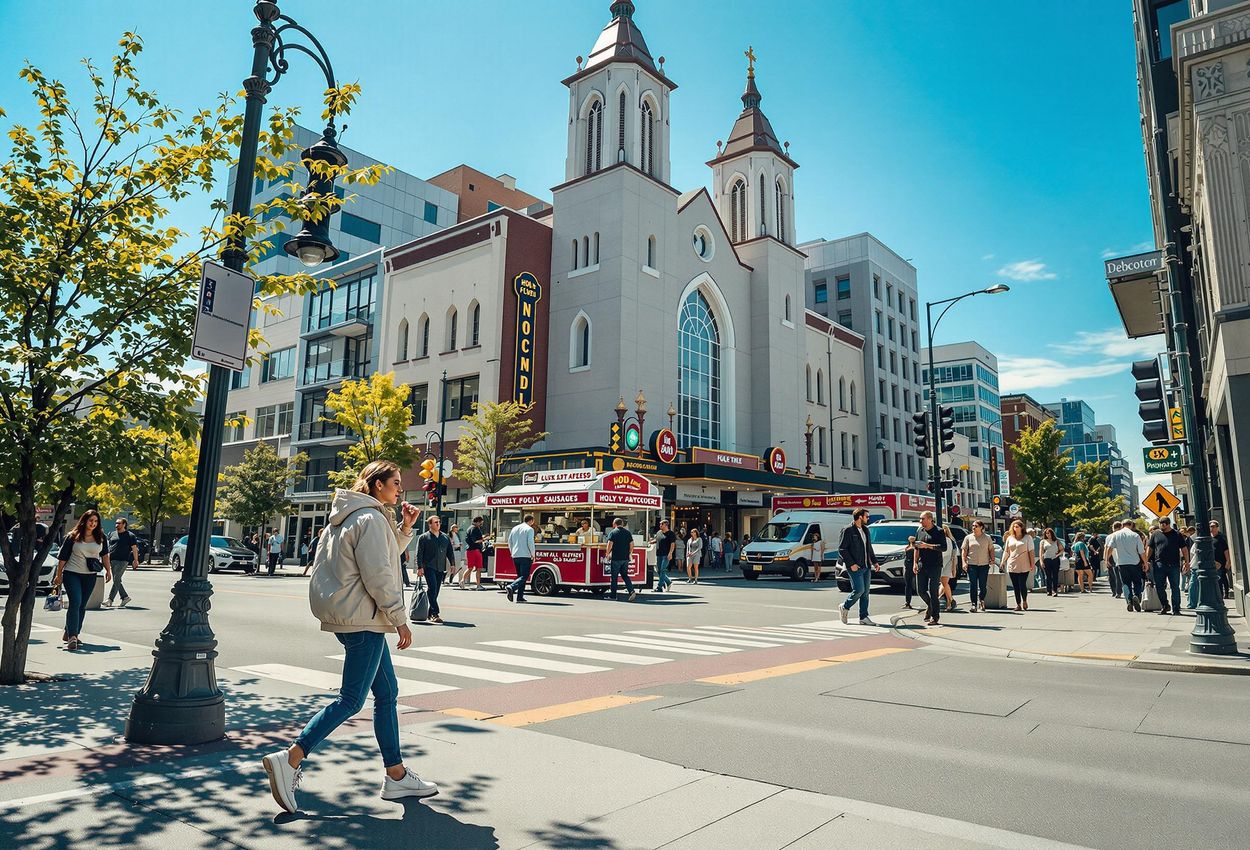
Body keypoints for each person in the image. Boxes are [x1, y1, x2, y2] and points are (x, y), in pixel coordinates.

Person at [262, 460, 436, 813]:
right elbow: (379, 575)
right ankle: (291, 757)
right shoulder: (370, 518)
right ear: (376, 484)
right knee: (352, 699)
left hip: (353, 616)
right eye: (396, 483)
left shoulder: (349, 516)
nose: (400, 489)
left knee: (387, 693)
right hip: (364, 620)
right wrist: (400, 620)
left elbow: (381, 559)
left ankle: (397, 776)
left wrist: (404, 529)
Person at [53, 509, 112, 651]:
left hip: (90, 575)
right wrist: (58, 574)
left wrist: (109, 571)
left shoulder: (101, 537)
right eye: (91, 520)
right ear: (84, 520)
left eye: (96, 521)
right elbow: (63, 557)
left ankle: (70, 631)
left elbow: (104, 555)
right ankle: (73, 636)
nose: (93, 523)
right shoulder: (73, 536)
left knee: (82, 605)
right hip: (72, 573)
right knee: (75, 603)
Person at [837, 508, 880, 625]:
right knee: (859, 590)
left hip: (866, 566)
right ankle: (845, 607)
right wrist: (851, 564)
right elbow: (842, 549)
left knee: (865, 593)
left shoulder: (865, 530)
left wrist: (875, 562)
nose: (868, 518)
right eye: (867, 516)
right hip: (855, 567)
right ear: (860, 517)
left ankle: (863, 617)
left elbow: (869, 548)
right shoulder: (848, 530)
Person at [415, 515, 454, 624]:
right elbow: (419, 553)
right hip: (429, 567)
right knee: (432, 587)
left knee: (436, 590)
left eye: (439, 522)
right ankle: (435, 613)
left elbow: (450, 552)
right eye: (435, 522)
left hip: (440, 567)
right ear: (430, 524)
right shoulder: (424, 537)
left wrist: (452, 564)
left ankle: (430, 612)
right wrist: (419, 567)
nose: (438, 524)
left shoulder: (445, 537)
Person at [1146, 517, 1189, 616]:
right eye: (1160, 523)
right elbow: (1150, 548)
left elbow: (1184, 548)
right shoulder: (1155, 534)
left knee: (1175, 587)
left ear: (1168, 524)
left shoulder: (1177, 534)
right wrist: (1146, 561)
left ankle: (1176, 608)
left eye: (1163, 523)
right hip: (1159, 564)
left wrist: (1187, 562)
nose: (1161, 525)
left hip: (1174, 565)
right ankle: (1165, 605)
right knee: (1159, 586)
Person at [912, 512, 948, 625]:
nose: (920, 521)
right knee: (921, 590)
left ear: (930, 519)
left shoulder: (939, 531)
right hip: (922, 564)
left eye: (922, 519)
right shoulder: (920, 531)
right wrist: (915, 563)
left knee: (933, 591)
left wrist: (927, 546)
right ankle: (931, 606)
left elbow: (943, 547)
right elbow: (916, 548)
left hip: (935, 565)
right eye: (920, 519)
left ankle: (935, 617)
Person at [1106, 520, 1147, 612]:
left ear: (1122, 525)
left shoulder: (1116, 535)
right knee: (1137, 582)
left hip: (1122, 563)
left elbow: (1110, 548)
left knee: (1125, 583)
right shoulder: (1135, 535)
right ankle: (1136, 595)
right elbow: (1141, 551)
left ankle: (1129, 600)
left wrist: (1107, 559)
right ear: (1131, 525)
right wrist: (1145, 562)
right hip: (1135, 562)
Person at [999, 519, 1035, 612]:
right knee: (1015, 586)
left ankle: (1024, 601)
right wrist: (1003, 562)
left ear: (1021, 527)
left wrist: (1032, 564)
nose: (1015, 528)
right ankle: (1018, 604)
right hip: (1012, 563)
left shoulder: (1027, 538)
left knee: (1022, 584)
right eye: (1014, 527)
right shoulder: (1010, 538)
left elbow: (1031, 552)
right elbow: (1006, 551)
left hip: (1024, 564)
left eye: (1017, 527)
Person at [104, 517, 139, 608]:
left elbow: (134, 548)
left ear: (124, 524)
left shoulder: (130, 535)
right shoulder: (111, 534)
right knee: (117, 580)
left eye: (119, 523)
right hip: (112, 559)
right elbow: (109, 547)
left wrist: (136, 560)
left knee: (116, 579)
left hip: (123, 560)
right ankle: (125, 597)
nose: (116, 525)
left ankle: (110, 600)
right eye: (116, 523)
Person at [962, 520, 994, 612]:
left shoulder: (987, 538)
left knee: (983, 586)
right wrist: (964, 562)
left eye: (976, 526)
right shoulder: (968, 538)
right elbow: (964, 551)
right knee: (973, 585)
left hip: (984, 565)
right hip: (972, 564)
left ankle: (982, 600)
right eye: (973, 526)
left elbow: (991, 549)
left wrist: (992, 559)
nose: (973, 527)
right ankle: (973, 604)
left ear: (981, 527)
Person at [606, 517, 638, 602]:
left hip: (616, 558)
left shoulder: (613, 532)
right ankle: (631, 591)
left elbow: (610, 544)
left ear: (614, 524)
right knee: (625, 575)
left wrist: (607, 553)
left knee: (614, 577)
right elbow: (632, 544)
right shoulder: (627, 533)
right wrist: (630, 553)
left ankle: (613, 596)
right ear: (622, 524)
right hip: (625, 558)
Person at [506, 514, 536, 603]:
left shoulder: (515, 528)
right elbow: (530, 542)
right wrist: (533, 554)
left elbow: (509, 542)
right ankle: (512, 586)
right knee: (525, 576)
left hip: (515, 555)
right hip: (525, 555)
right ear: (531, 520)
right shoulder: (529, 529)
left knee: (520, 577)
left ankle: (520, 597)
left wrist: (512, 552)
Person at [462, 516, 486, 590]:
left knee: (472, 568)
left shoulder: (470, 528)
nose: (481, 524)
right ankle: (477, 585)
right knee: (475, 568)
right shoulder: (474, 528)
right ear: (478, 522)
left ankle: (463, 581)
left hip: (472, 550)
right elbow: (474, 540)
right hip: (475, 550)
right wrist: (484, 539)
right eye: (481, 523)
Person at [1212, 520, 1234, 599]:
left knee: (1221, 579)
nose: (1212, 528)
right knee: (1220, 579)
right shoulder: (1210, 538)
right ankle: (1221, 594)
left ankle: (1224, 594)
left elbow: (1226, 550)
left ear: (1217, 528)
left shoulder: (1221, 538)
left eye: (1214, 526)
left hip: (1222, 562)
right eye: (1211, 526)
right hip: (1214, 562)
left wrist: (1228, 561)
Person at [653, 520, 676, 593]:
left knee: (663, 569)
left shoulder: (671, 534)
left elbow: (673, 544)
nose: (660, 525)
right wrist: (649, 542)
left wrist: (670, 553)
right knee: (659, 570)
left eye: (661, 524)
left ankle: (659, 587)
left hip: (666, 554)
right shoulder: (659, 532)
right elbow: (656, 540)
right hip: (659, 554)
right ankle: (668, 582)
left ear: (666, 525)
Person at [1039, 528, 1063, 596]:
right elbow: (1041, 552)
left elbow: (1062, 549)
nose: (1048, 534)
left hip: (1055, 559)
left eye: (1049, 533)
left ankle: (1054, 590)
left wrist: (1057, 554)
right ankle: (1048, 590)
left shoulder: (1056, 541)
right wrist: (1041, 561)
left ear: (1052, 533)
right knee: (1048, 576)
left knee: (1055, 575)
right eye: (1046, 533)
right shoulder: (1043, 541)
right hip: (1047, 559)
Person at [939, 535, 959, 614]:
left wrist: (954, 567)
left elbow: (954, 556)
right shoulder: (949, 541)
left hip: (948, 564)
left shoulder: (951, 541)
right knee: (943, 583)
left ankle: (948, 601)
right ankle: (950, 602)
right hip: (941, 564)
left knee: (944, 582)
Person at [446, 523, 463, 588]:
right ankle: (448, 578)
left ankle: (451, 578)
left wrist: (459, 544)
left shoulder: (457, 535)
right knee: (451, 566)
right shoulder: (449, 535)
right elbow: (451, 544)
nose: (457, 529)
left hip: (457, 551)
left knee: (457, 566)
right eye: (456, 527)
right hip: (453, 552)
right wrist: (457, 545)